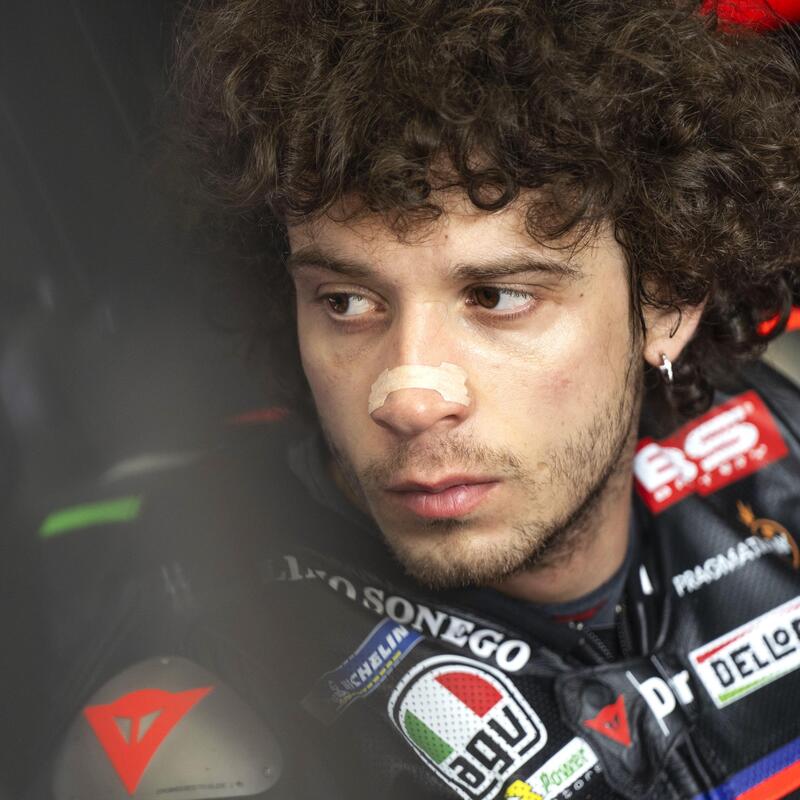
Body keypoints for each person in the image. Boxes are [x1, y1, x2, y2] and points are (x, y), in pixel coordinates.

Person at [35, 1, 800, 799]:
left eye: (498, 297)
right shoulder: (217, 719)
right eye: (346, 302)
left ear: (668, 301)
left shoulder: (777, 435)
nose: (410, 397)